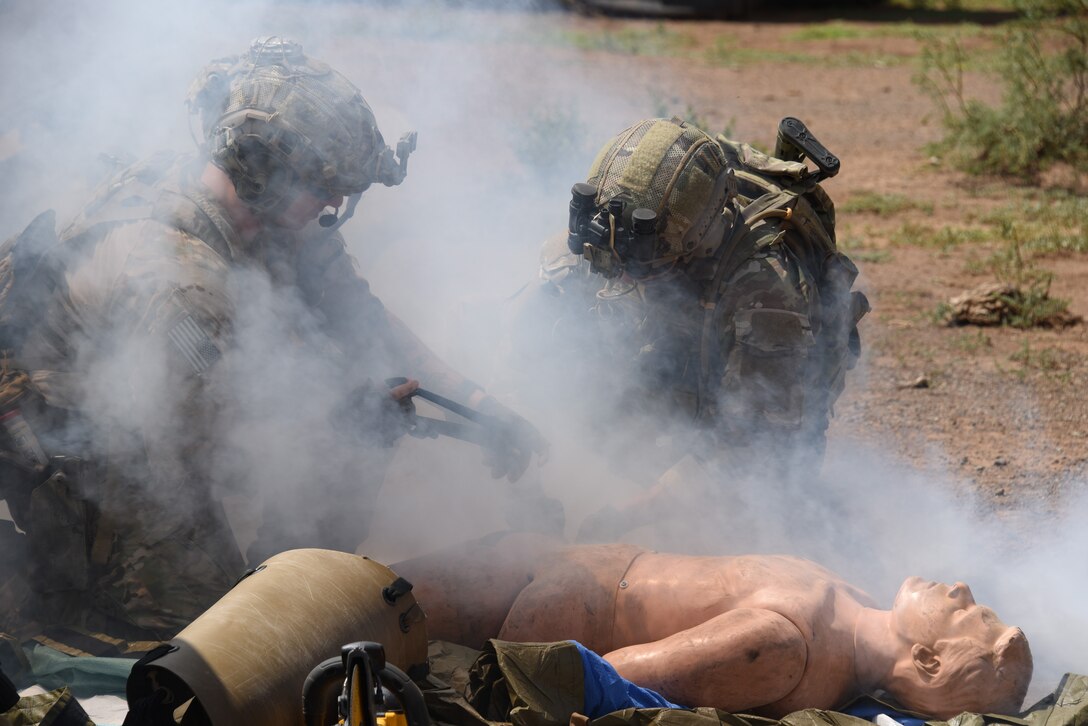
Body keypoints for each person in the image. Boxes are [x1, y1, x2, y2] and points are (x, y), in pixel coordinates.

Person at [0, 37, 545, 643]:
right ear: (265, 173)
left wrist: (483, 408)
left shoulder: (263, 204)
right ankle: (46, 595)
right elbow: (232, 443)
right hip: (91, 449)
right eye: (324, 186)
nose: (336, 201)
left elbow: (365, 322)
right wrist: (346, 427)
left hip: (175, 409)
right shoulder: (176, 280)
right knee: (213, 638)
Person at [507, 118, 869, 541]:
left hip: (760, 426)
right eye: (610, 264)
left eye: (636, 271)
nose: (617, 276)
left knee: (759, 517)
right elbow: (524, 353)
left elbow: (755, 450)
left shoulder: (765, 292)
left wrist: (630, 514)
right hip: (675, 372)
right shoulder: (602, 240)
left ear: (691, 243)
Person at [393, 533, 1033, 720]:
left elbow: (601, 675)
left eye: (969, 613)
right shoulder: (858, 607)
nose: (961, 589)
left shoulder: (783, 647)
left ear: (925, 660)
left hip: (559, 597)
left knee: (356, 594)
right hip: (569, 569)